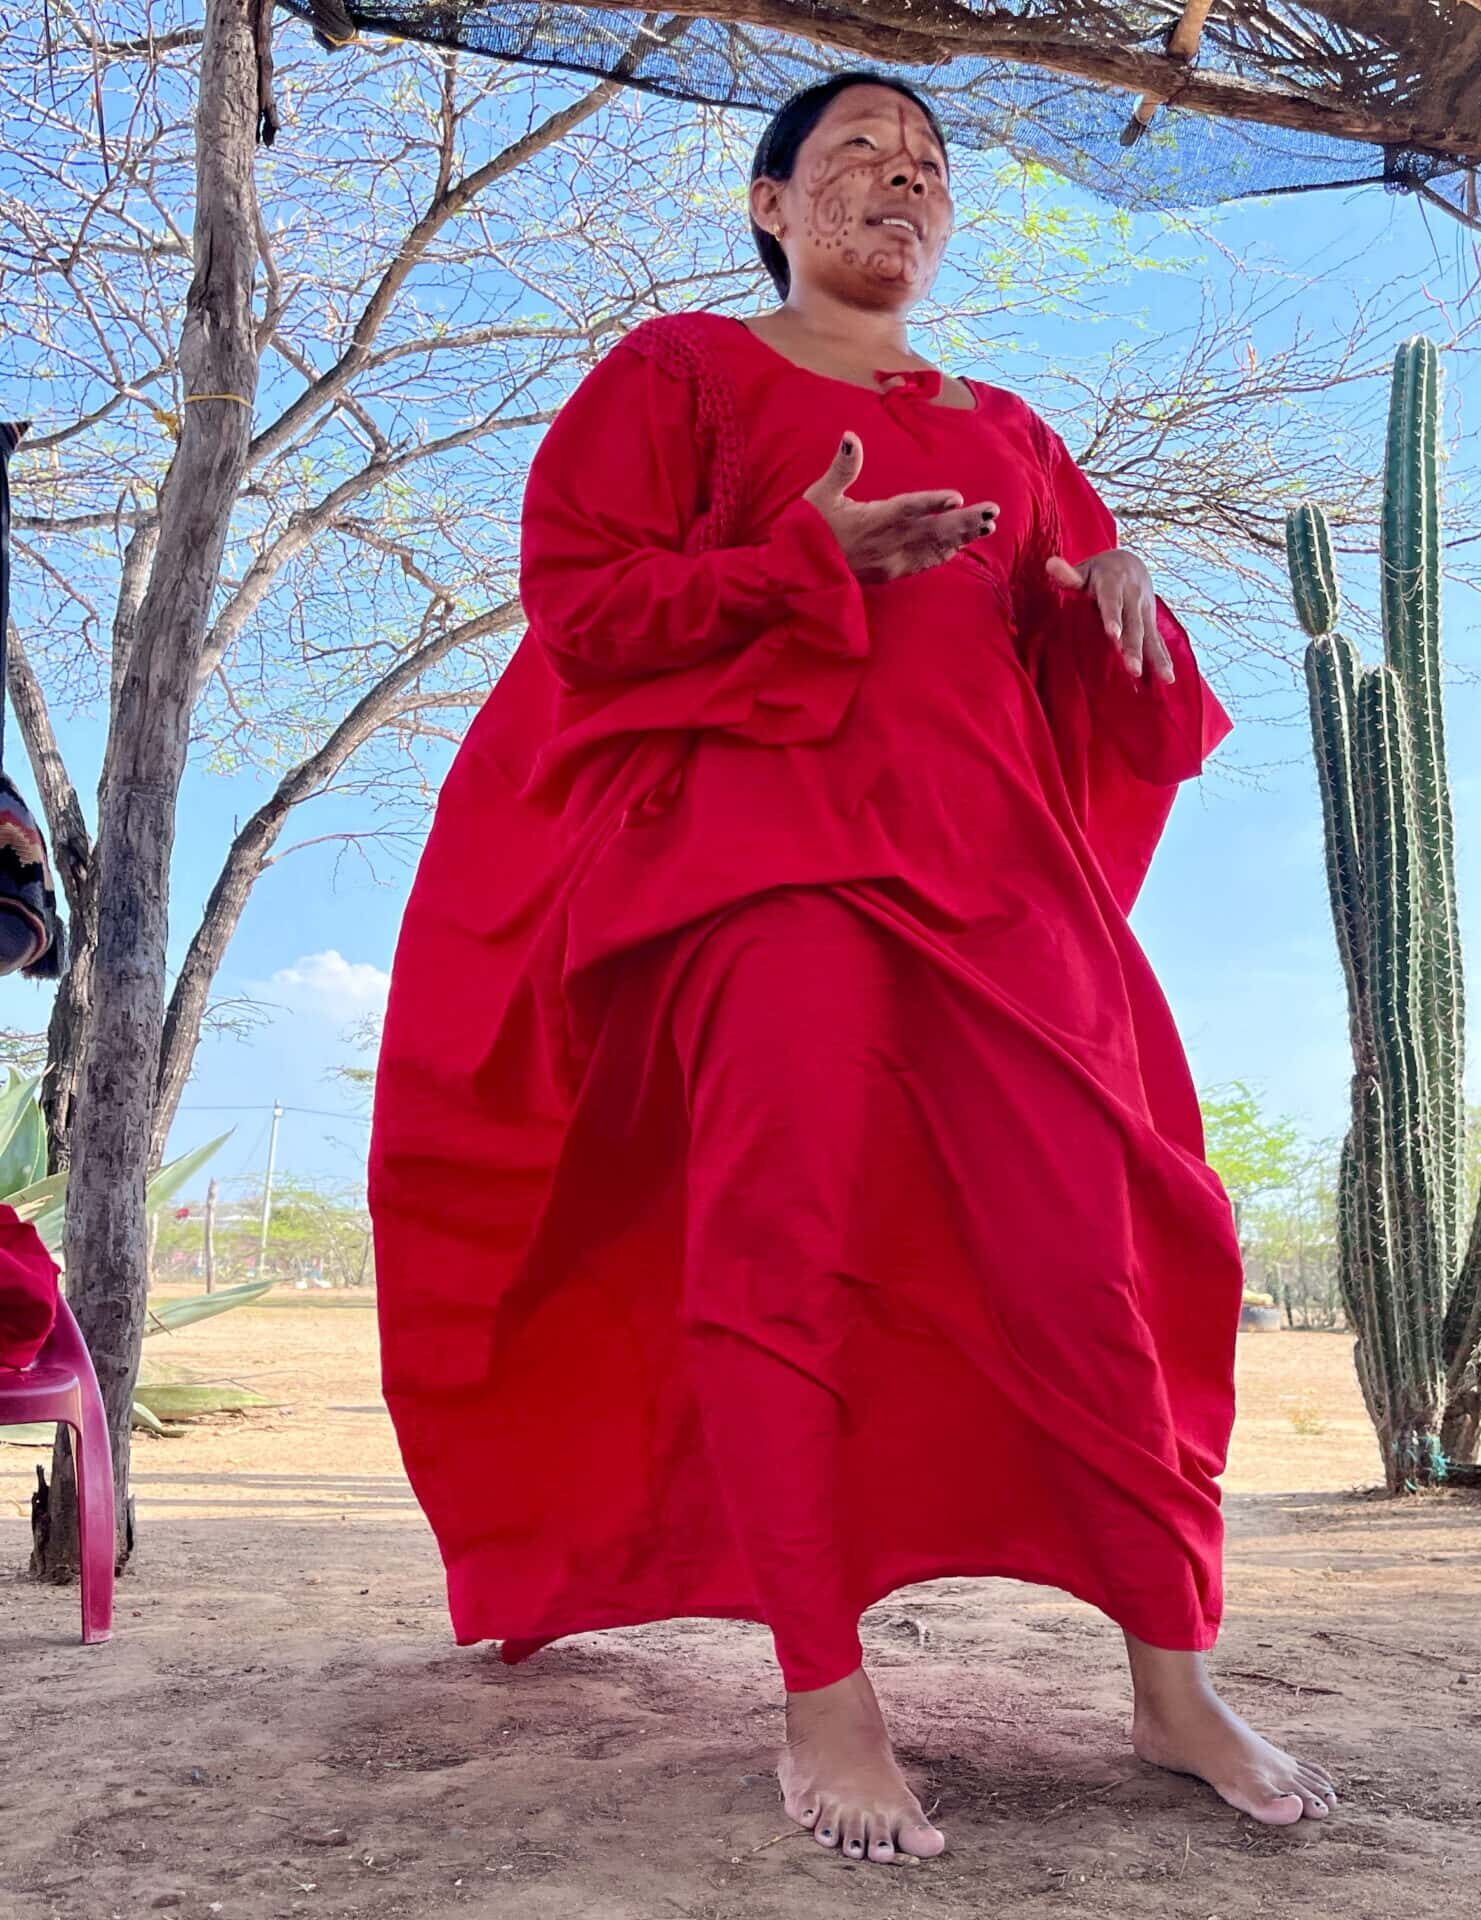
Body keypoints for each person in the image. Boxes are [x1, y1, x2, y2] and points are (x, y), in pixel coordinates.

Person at [370, 70, 1336, 1866]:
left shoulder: (1018, 430)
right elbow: (580, 610)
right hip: (770, 874)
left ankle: (1170, 1673)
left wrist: (1119, 620)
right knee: (780, 1255)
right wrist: (792, 558)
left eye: (928, 167)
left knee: (1096, 1258)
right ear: (768, 204)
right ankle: (825, 1695)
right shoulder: (678, 376)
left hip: (1003, 895)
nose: (901, 183)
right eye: (855, 158)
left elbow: (1089, 676)